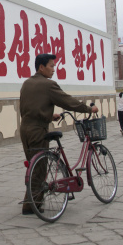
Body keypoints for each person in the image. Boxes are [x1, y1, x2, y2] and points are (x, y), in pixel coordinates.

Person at [19, 53, 98, 215]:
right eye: (51, 66)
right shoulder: (48, 85)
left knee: (33, 167)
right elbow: (68, 101)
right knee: (40, 170)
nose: (54, 69)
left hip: (25, 129)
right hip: (38, 131)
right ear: (41, 67)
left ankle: (31, 200)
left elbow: (28, 109)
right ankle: (30, 205)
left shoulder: (26, 83)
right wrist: (89, 109)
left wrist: (49, 116)